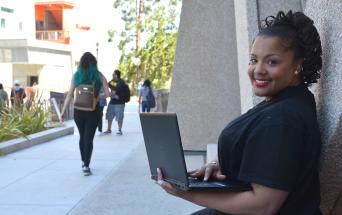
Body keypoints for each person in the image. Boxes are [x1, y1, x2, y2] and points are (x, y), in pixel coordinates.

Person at [156, 10, 323, 214]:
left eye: (272, 62)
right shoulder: (284, 101)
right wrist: (216, 163)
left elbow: (263, 206)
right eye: (254, 60)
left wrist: (186, 192)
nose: (258, 70)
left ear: (298, 65)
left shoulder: (283, 119)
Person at [60, 52, 110, 176]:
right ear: (94, 63)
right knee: (89, 138)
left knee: (82, 137)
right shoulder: (99, 76)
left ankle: (83, 161)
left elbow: (70, 94)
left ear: (81, 63)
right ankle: (86, 165)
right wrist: (96, 98)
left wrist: (63, 111)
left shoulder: (76, 75)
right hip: (93, 111)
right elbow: (108, 94)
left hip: (78, 111)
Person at [104, 69, 127, 135]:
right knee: (109, 116)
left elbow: (116, 88)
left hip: (120, 103)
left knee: (119, 116)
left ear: (116, 75)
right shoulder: (112, 81)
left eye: (113, 74)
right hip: (112, 102)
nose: (112, 75)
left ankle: (119, 130)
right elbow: (107, 85)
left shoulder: (121, 82)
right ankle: (109, 129)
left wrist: (110, 91)